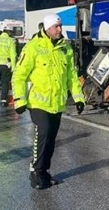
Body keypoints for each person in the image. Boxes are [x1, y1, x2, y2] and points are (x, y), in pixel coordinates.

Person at [12, 13, 85, 190]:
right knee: (43, 133)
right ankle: (35, 172)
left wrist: (78, 98)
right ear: (47, 29)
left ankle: (44, 171)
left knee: (51, 139)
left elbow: (71, 77)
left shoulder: (65, 49)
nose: (59, 30)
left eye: (60, 26)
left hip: (57, 103)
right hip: (38, 102)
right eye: (56, 27)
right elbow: (19, 75)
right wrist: (19, 100)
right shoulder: (33, 47)